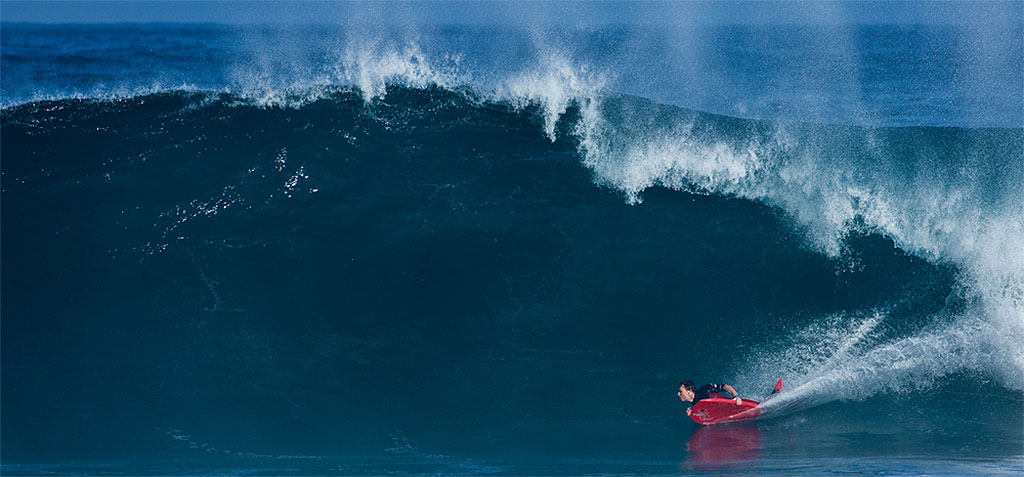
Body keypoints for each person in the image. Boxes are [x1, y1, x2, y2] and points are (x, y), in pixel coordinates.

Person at [677, 380, 743, 416]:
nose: (678, 394)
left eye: (680, 391)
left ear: (690, 391)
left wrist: (736, 397)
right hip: (724, 413)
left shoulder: (704, 390)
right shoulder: (694, 405)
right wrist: (693, 413)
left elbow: (725, 387)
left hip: (735, 405)